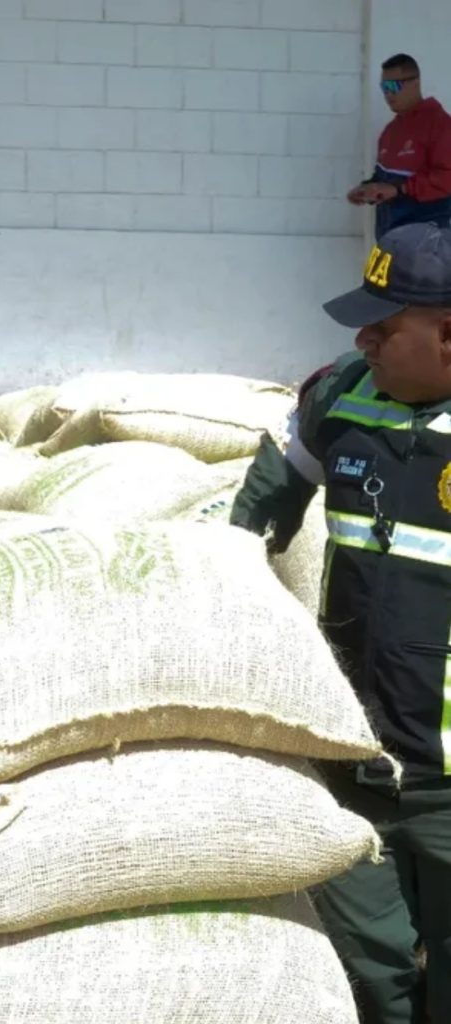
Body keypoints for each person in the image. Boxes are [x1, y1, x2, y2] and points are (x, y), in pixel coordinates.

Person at [230, 220, 451, 1024]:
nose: (364, 339)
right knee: (373, 973)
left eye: (384, 325)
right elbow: (253, 521)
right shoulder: (338, 395)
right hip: (356, 760)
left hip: (448, 782)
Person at [347, 54, 451, 239]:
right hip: (388, 239)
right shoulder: (390, 131)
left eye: (393, 86)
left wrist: (400, 189)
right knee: (375, 262)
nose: (388, 94)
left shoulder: (440, 124)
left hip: (425, 240)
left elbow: (447, 177)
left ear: (415, 83)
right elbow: (383, 179)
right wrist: (367, 189)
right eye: (384, 88)